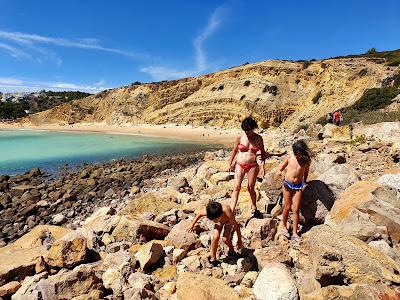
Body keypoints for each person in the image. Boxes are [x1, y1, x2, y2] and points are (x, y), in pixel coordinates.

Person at [227, 117, 270, 214]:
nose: (247, 132)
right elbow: (234, 150)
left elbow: (263, 153)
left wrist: (263, 166)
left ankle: (254, 206)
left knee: (251, 187)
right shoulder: (240, 137)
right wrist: (230, 163)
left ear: (253, 128)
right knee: (237, 187)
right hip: (240, 165)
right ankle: (231, 210)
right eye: (245, 130)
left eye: (249, 130)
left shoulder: (258, 138)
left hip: (253, 166)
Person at [274, 140, 311, 242]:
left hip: (298, 186)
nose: (297, 156)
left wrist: (306, 181)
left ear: (303, 152)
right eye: (295, 154)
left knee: (296, 209)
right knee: (287, 206)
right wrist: (278, 172)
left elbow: (306, 172)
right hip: (287, 184)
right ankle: (284, 226)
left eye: (298, 154)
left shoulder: (306, 161)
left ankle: (295, 233)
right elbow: (282, 167)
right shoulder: (290, 157)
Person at [187, 201, 243, 265]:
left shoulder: (227, 211)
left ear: (221, 214)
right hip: (219, 222)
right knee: (215, 237)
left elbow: (236, 226)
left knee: (225, 239)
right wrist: (191, 225)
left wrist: (239, 240)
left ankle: (231, 250)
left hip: (228, 221)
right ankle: (213, 258)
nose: (213, 221)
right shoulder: (211, 212)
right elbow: (199, 214)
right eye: (212, 220)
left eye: (215, 220)